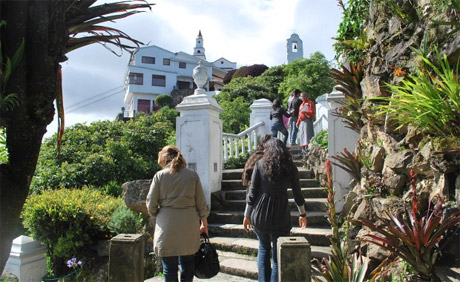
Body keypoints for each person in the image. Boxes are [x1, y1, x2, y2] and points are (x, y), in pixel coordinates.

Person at [242, 138, 307, 282]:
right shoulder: (290, 167)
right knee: (278, 257)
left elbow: (252, 193)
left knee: (264, 249)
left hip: (260, 214)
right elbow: (298, 193)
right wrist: (302, 213)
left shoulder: (260, 165)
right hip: (280, 215)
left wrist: (247, 215)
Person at [146, 145, 209, 282]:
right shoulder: (192, 175)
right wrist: (204, 224)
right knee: (188, 265)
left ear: (164, 158)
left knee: (169, 268)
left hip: (167, 226)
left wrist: (158, 213)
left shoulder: (160, 176)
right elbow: (201, 204)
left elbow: (151, 204)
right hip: (189, 225)